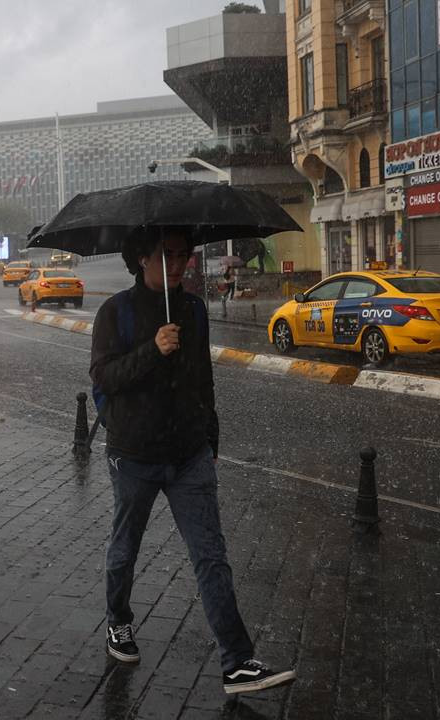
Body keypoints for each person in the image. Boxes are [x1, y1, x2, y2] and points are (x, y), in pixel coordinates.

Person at [90, 227, 296, 695]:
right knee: (125, 548)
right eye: (168, 254)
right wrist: (153, 350)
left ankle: (237, 661)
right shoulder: (115, 312)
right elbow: (104, 377)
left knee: (211, 556)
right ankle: (118, 621)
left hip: (189, 455)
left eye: (184, 254)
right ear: (142, 258)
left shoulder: (195, 309)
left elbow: (202, 378)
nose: (179, 263)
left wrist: (210, 437)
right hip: (134, 456)